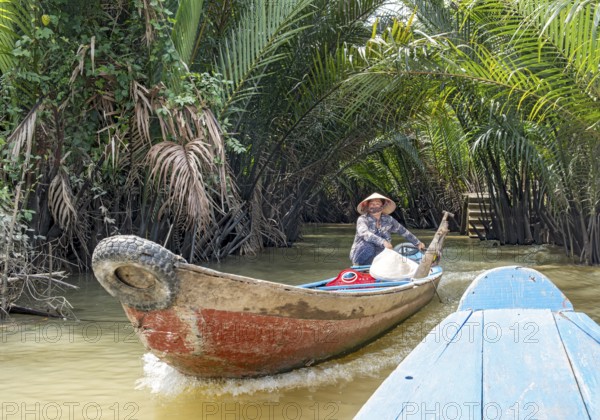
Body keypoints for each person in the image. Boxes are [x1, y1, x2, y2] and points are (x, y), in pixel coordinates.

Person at [349, 193, 426, 266]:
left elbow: (403, 231)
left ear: (382, 206)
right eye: (372, 204)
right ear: (368, 206)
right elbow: (364, 233)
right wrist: (383, 242)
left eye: (377, 203)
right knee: (368, 246)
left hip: (382, 254)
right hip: (361, 254)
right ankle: (363, 268)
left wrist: (417, 243)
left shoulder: (389, 219)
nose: (375, 206)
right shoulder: (362, 219)